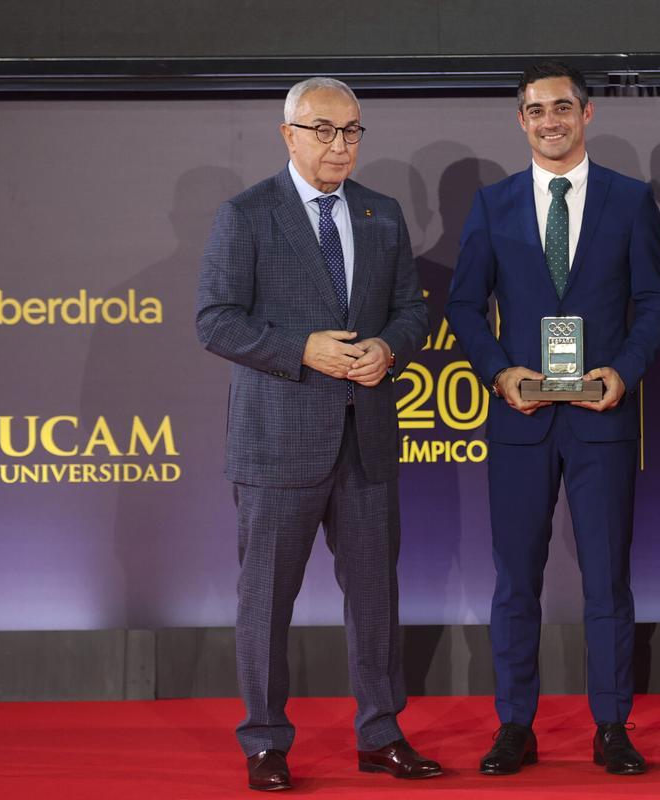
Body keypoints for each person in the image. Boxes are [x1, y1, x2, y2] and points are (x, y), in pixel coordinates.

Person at [196, 77, 438, 791]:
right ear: (288, 134)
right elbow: (215, 320)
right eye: (325, 130)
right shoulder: (246, 215)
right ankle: (266, 740)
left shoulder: (382, 213)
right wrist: (304, 348)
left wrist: (389, 349)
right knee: (265, 600)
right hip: (277, 443)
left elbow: (411, 311)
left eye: (353, 131)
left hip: (366, 438)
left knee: (376, 600)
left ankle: (381, 732)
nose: (341, 145)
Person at [446, 60, 660, 776]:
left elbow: (657, 303)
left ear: (587, 114)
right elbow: (462, 305)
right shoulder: (493, 203)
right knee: (515, 581)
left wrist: (624, 371)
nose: (550, 120)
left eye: (562, 107)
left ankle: (612, 726)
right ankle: (515, 724)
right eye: (536, 110)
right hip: (520, 419)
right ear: (521, 120)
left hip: (600, 418)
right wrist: (501, 372)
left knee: (608, 581)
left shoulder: (631, 200)